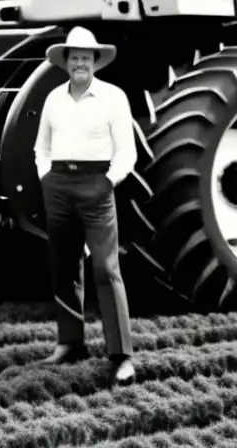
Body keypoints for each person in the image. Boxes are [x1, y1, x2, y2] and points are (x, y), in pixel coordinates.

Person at [33, 26, 137, 387]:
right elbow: (41, 147)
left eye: (85, 56)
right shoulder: (53, 99)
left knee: (106, 269)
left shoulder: (113, 97)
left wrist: (108, 181)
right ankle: (70, 343)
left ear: (95, 60)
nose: (79, 62)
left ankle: (121, 356)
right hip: (58, 184)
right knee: (63, 266)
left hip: (98, 184)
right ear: (65, 62)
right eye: (73, 57)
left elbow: (128, 151)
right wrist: (46, 177)